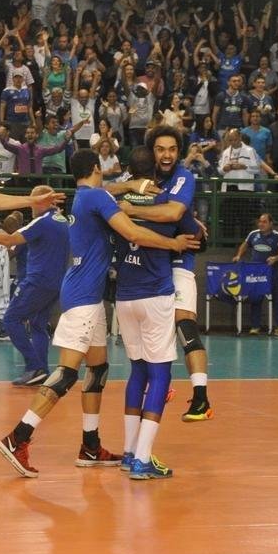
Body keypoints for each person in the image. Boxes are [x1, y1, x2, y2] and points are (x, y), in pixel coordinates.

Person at [0, 148, 200, 479]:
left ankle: (90, 445)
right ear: (95, 168)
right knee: (66, 373)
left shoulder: (85, 195)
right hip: (83, 297)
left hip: (85, 294)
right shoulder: (97, 199)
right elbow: (132, 233)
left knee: (99, 369)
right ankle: (18, 437)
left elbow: (111, 192)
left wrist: (137, 185)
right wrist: (173, 245)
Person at [117, 125, 213, 422]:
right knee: (152, 332)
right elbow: (102, 194)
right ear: (151, 153)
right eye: (161, 149)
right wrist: (127, 195)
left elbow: (172, 214)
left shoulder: (184, 176)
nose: (167, 154)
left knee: (184, 322)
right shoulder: (137, 179)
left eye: (172, 149)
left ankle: (201, 398)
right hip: (145, 265)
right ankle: (163, 384)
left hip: (177, 259)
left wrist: (129, 211)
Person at [114, 147, 198, 479]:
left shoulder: (115, 203)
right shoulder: (163, 202)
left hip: (124, 296)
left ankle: (128, 452)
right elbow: (190, 229)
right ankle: (142, 459)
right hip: (155, 296)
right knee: (160, 374)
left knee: (137, 372)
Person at [0, 185, 69, 386]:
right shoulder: (62, 220)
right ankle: (42, 370)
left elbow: (9, 240)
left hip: (38, 281)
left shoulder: (41, 223)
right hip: (57, 283)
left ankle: (34, 365)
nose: (30, 205)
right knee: (37, 324)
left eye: (33, 200)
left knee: (11, 319)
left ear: (43, 201)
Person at [231, 213, 278, 336]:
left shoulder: (277, 237)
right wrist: (238, 255)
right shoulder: (253, 235)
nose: (261, 224)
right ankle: (255, 327)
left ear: (270, 223)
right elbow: (245, 245)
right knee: (256, 299)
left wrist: (275, 258)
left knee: (277, 299)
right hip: (255, 273)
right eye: (260, 222)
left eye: (264, 222)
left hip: (271, 273)